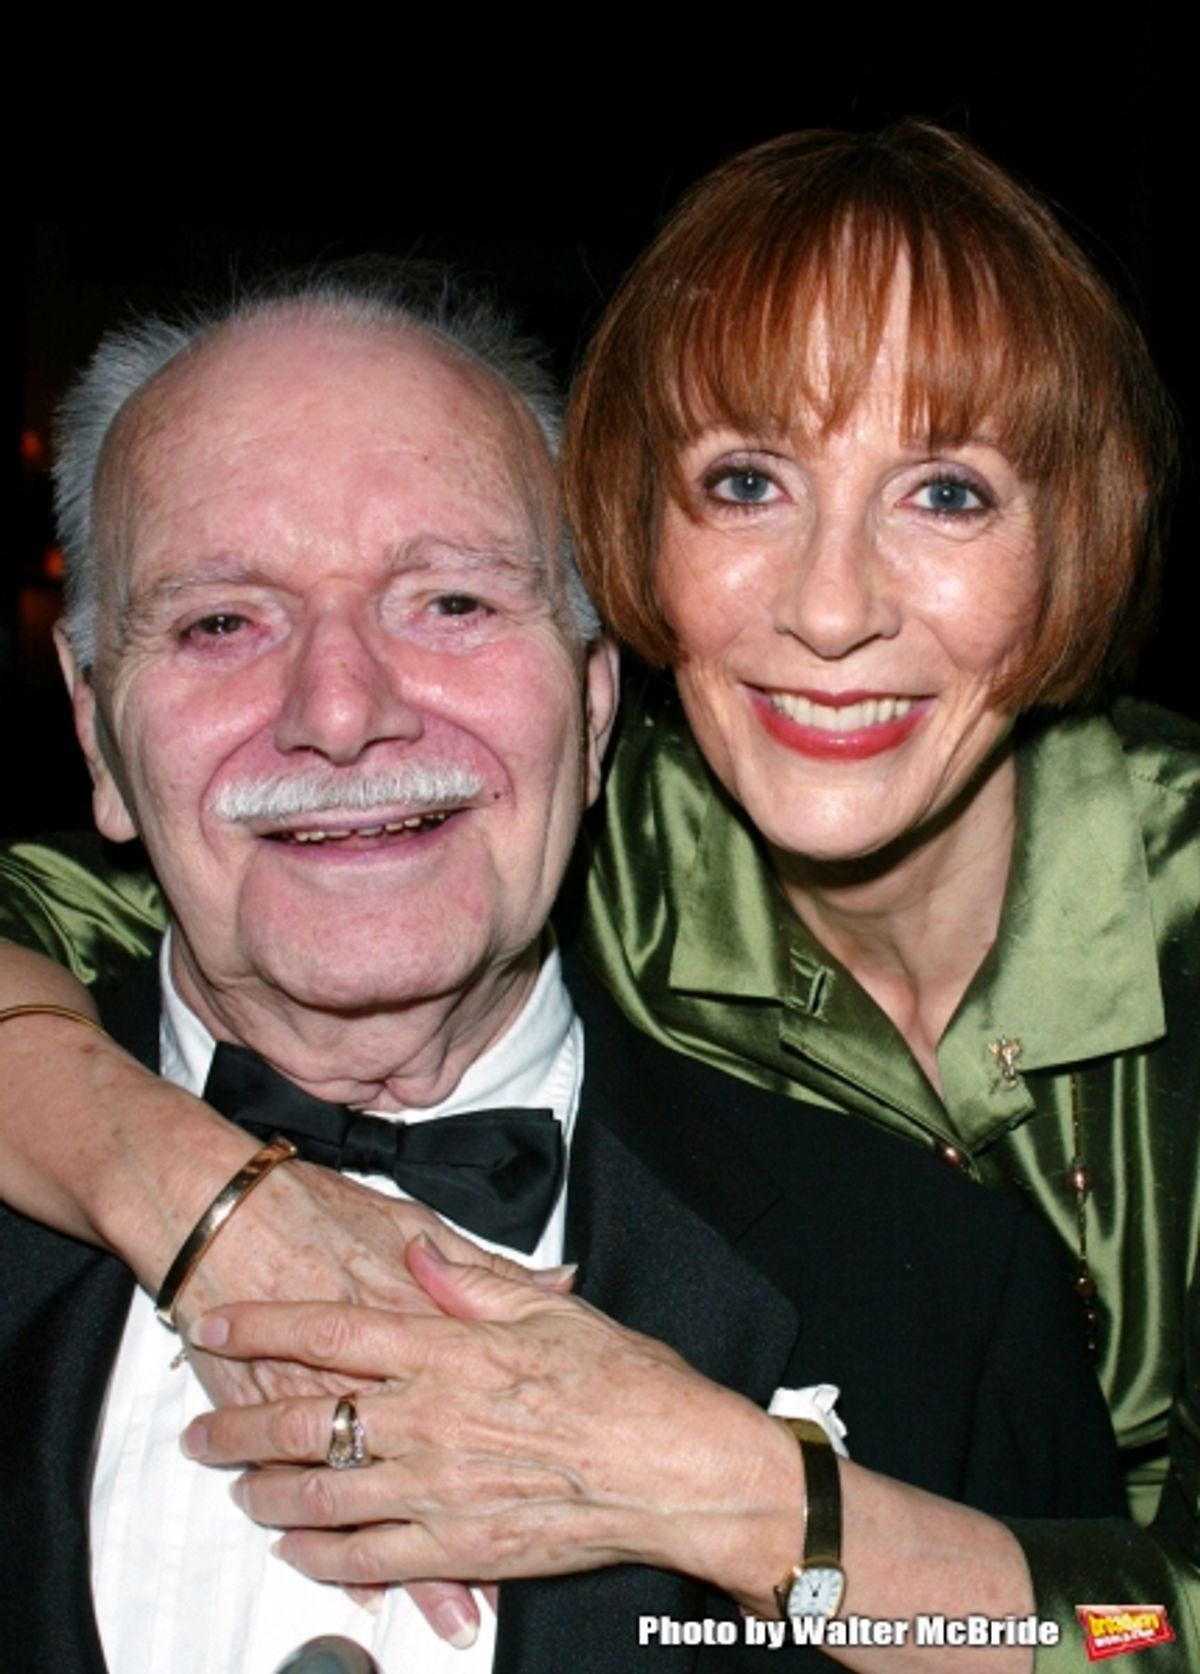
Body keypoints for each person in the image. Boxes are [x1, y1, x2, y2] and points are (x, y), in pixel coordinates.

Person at [3, 116, 1196, 1663]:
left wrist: (751, 1509)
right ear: (95, 726)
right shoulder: (539, 828)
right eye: (222, 621)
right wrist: (204, 1202)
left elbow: (1118, 1634)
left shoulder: (956, 1289)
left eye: (949, 492)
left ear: (586, 694)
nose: (343, 715)